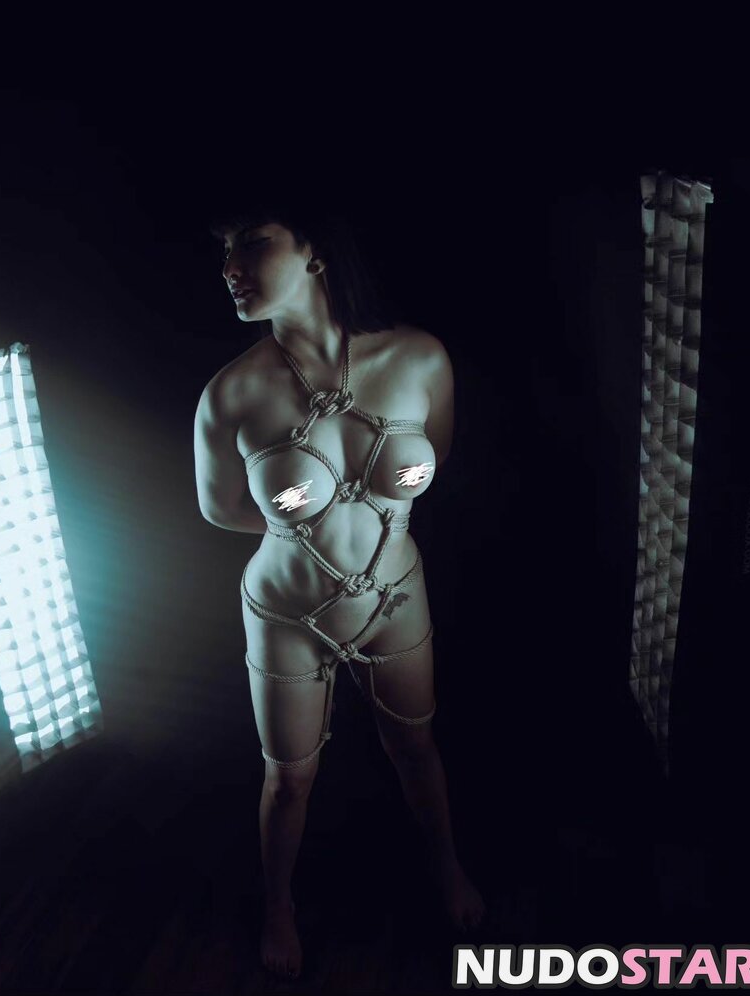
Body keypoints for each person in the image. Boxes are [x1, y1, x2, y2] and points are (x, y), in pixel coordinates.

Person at [193, 206, 486, 979]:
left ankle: (447, 870)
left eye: (252, 242)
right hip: (289, 611)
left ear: (315, 248)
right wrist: (299, 520)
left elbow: (435, 457)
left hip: (394, 596)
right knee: (289, 780)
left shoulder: (418, 357)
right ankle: (278, 906)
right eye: (225, 250)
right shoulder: (231, 395)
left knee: (416, 747)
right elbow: (223, 510)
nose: (230, 267)